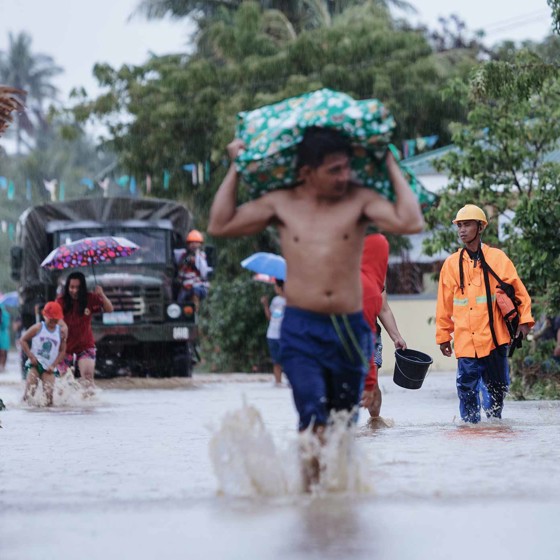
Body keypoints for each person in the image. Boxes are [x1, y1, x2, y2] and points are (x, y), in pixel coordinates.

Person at [208, 126, 424, 487]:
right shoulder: (283, 202)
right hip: (302, 329)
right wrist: (237, 167)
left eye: (346, 168)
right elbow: (220, 222)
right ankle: (311, 501)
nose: (343, 177)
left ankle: (335, 506)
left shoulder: (357, 200)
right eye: (333, 170)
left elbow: (411, 220)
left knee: (343, 424)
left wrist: (388, 159)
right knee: (312, 419)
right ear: (307, 172)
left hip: (350, 330)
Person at [436, 204, 535, 424]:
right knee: (466, 390)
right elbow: (444, 305)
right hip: (466, 342)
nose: (462, 230)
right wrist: (443, 336)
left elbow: (519, 291)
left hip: (494, 339)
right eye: (459, 225)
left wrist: (525, 322)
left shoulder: (497, 258)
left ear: (480, 227)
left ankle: (494, 431)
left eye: (467, 225)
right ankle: (471, 432)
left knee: (497, 392)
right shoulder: (451, 264)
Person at [359, 234, 406, 421]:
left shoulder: (374, 274)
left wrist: (397, 337)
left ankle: (375, 422)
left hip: (371, 333)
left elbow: (383, 308)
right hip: (343, 332)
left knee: (372, 383)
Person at [56, 271, 114, 392]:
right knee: (64, 382)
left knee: (88, 378)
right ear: (67, 287)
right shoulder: (61, 301)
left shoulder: (90, 298)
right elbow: (55, 317)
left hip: (85, 345)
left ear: (82, 288)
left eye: (77, 287)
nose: (74, 290)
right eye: (71, 287)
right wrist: (63, 324)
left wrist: (102, 295)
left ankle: (88, 406)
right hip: (64, 346)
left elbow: (109, 309)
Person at [20, 301, 68, 406]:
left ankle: (46, 416)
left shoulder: (60, 333)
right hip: (35, 365)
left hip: (49, 369)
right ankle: (23, 411)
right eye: (50, 319)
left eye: (55, 320)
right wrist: (31, 356)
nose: (52, 322)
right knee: (29, 393)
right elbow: (23, 340)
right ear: (44, 315)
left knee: (49, 398)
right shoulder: (38, 327)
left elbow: (62, 350)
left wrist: (54, 365)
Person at [175, 229, 211, 307]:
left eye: (196, 243)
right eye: (191, 242)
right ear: (187, 244)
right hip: (184, 286)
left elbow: (204, 272)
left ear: (200, 244)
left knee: (195, 293)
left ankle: (194, 312)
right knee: (179, 303)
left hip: (197, 286)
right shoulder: (182, 255)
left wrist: (195, 260)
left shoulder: (201, 257)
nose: (194, 245)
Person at [260, 279, 286, 386]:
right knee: (276, 361)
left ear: (280, 287)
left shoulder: (291, 300)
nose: (274, 288)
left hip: (284, 335)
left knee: (287, 360)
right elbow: (271, 317)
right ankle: (278, 382)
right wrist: (266, 305)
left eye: (276, 286)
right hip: (272, 334)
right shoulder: (275, 300)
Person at [0, 303, 10, 372]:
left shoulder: (5, 315)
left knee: (3, 352)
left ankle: (2, 366)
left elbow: (5, 325)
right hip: (3, 334)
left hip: (3, 335)